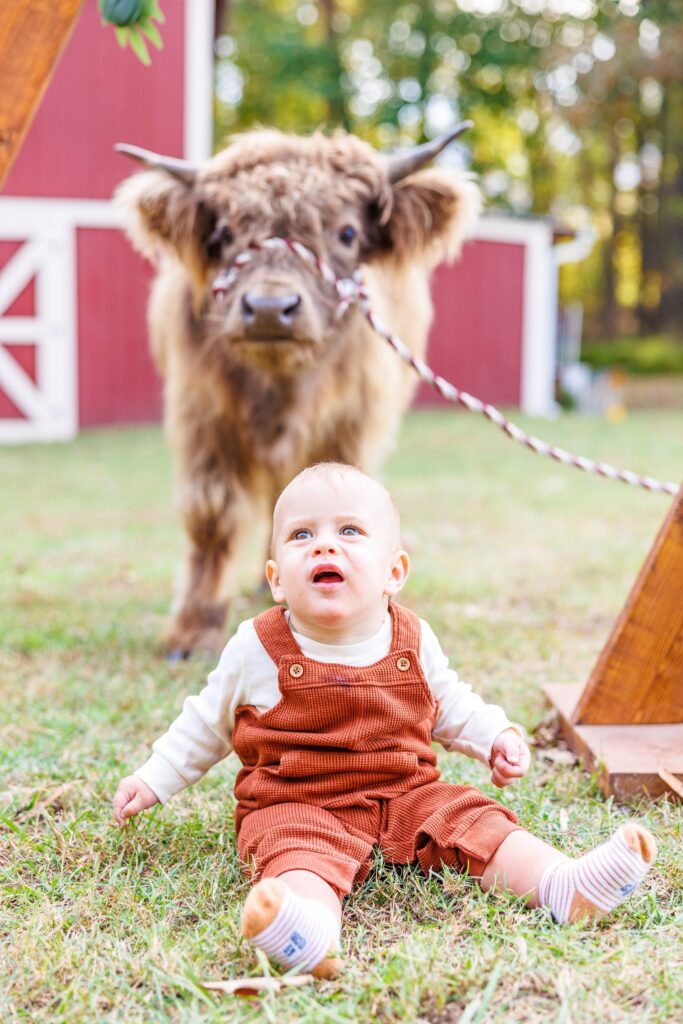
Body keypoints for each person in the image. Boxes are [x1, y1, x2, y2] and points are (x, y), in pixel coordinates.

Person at [112, 463, 657, 979]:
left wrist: (496, 735)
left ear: (394, 571)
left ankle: (562, 884)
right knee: (297, 855)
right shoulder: (256, 646)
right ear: (276, 579)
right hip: (299, 801)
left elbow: (450, 704)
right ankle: (311, 933)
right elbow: (205, 723)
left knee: (474, 818)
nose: (325, 544)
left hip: (404, 792)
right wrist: (153, 779)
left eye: (350, 530)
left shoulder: (412, 638)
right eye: (302, 535)